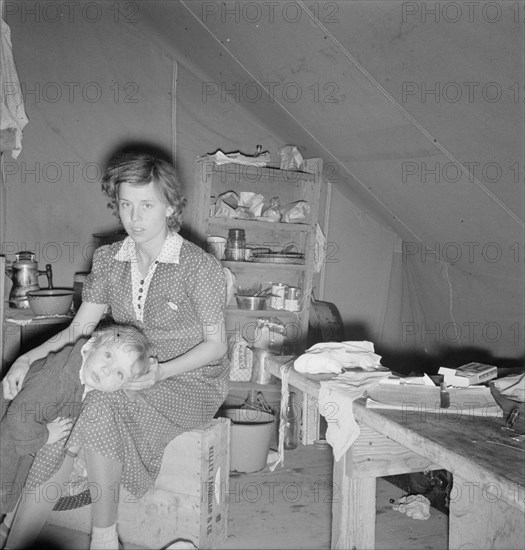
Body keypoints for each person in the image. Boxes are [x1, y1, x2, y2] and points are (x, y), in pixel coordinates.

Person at [1, 151, 229, 550]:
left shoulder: (198, 266)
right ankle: (16, 535)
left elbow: (216, 347)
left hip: (190, 379)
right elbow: (79, 330)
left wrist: (161, 372)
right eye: (126, 205)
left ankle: (103, 539)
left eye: (147, 205)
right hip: (123, 368)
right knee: (57, 411)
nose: (135, 218)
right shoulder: (110, 260)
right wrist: (26, 358)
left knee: (98, 406)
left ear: (170, 206)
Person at [0, 322, 153, 549]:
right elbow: (16, 420)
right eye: (108, 355)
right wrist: (44, 435)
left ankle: (8, 528)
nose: (106, 370)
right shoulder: (56, 379)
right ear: (90, 346)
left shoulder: (83, 373)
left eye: (119, 373)